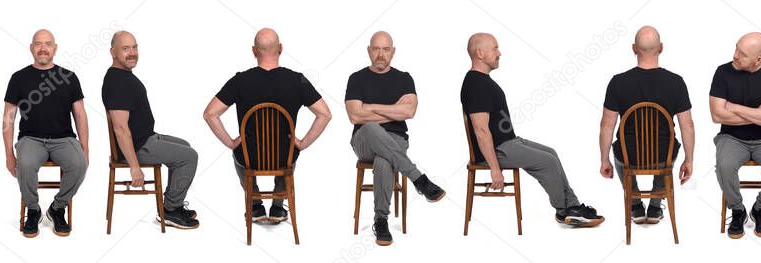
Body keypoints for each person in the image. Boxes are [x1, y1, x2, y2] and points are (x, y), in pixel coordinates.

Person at [462, 32, 604, 228]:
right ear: (480, 53)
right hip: (497, 150)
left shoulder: (481, 80)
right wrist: (495, 169)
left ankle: (572, 206)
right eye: (495, 48)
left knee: (551, 153)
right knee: (547, 162)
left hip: (507, 141)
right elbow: (481, 130)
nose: (499, 53)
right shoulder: (476, 84)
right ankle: (563, 211)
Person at [203, 28, 333, 227]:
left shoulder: (240, 80)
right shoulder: (297, 79)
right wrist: (302, 143)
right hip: (283, 156)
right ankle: (278, 206)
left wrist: (231, 142)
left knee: (238, 152)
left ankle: (254, 204)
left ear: (254, 51)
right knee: (291, 151)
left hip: (249, 156)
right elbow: (325, 114)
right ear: (280, 48)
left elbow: (210, 114)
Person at [343, 31, 446, 246]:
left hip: (397, 139)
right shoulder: (356, 78)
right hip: (364, 140)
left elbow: (409, 112)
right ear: (369, 51)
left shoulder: (404, 78)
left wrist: (371, 107)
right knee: (370, 127)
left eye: (386, 49)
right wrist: (392, 110)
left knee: (384, 160)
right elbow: (355, 116)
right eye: (376, 49)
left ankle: (381, 220)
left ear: (393, 52)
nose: (381, 54)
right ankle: (420, 180)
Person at [598, 26, 694, 228]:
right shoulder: (676, 82)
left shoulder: (617, 82)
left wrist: (604, 159)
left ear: (634, 49)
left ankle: (635, 205)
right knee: (669, 148)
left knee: (619, 148)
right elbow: (687, 125)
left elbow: (607, 125)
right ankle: (656, 206)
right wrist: (689, 159)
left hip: (629, 157)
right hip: (663, 157)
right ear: (661, 48)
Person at [102, 31, 200, 229]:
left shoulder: (122, 76)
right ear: (113, 52)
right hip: (138, 147)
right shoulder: (117, 82)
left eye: (135, 47)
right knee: (189, 156)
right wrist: (134, 166)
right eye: (125, 48)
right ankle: (171, 210)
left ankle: (172, 204)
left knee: (185, 147)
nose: (132, 53)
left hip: (146, 137)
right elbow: (120, 128)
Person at [4, 29, 89, 237]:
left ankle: (57, 208)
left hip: (64, 138)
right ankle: (33, 210)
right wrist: (8, 154)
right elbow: (8, 118)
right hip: (31, 139)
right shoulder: (18, 78)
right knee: (25, 164)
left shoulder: (69, 77)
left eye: (48, 44)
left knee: (79, 164)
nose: (43, 48)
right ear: (32, 47)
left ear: (55, 48)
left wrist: (85, 148)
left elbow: (80, 115)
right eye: (38, 44)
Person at [709, 32, 761, 239]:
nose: (735, 55)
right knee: (724, 167)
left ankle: (760, 208)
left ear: (758, 60)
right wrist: (759, 112)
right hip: (731, 137)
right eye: (736, 48)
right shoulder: (722, 72)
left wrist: (734, 107)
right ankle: (737, 210)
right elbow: (717, 115)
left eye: (742, 54)